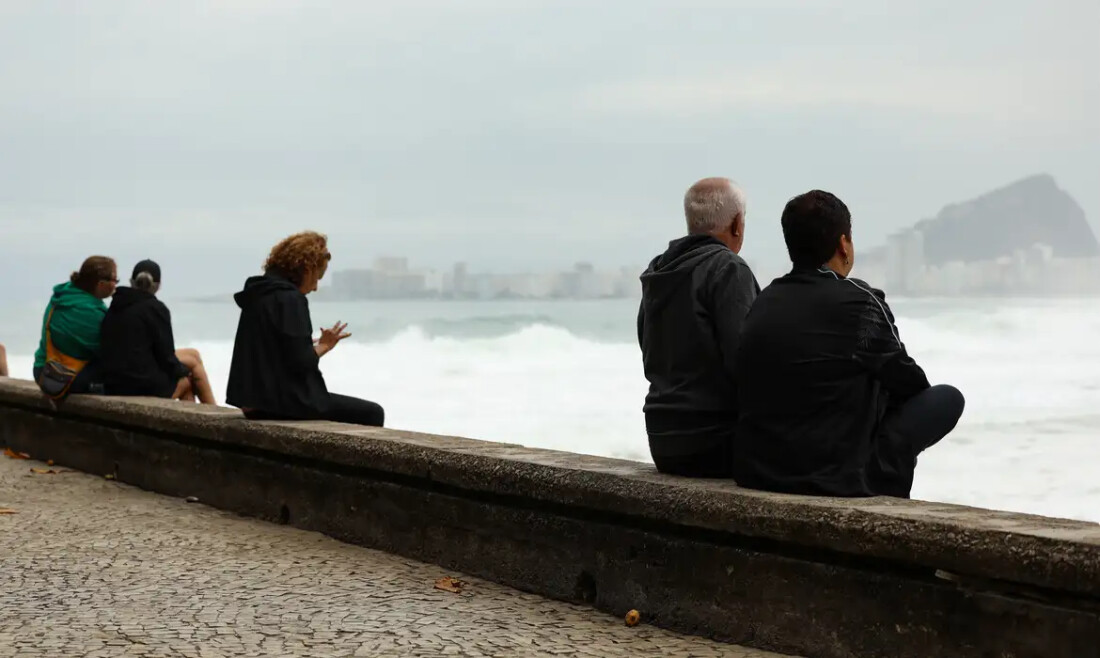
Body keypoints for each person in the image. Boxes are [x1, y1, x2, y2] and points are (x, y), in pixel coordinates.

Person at [734, 190, 965, 498]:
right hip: (838, 477)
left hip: (760, 472)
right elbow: (910, 383)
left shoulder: (762, 302)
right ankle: (884, 483)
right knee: (947, 398)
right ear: (844, 244)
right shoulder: (860, 302)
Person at [638, 177, 760, 477]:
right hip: (715, 442)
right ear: (737, 224)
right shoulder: (728, 269)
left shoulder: (659, 271)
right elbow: (746, 362)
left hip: (662, 440)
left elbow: (647, 347)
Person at [226, 231, 385, 427]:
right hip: (280, 403)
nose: (316, 287)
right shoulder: (291, 299)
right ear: (307, 269)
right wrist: (324, 345)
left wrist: (301, 343)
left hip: (252, 401)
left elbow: (268, 350)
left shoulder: (258, 292)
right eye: (318, 277)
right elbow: (300, 362)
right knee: (373, 413)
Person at [99, 259, 216, 404]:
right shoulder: (155, 309)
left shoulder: (116, 306)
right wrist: (184, 372)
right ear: (158, 286)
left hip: (115, 382)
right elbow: (166, 356)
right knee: (190, 374)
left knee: (193, 354)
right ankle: (216, 414)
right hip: (139, 385)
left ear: (131, 281)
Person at [32, 256, 118, 394]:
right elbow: (107, 351)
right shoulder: (90, 312)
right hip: (61, 377)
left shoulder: (63, 295)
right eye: (115, 280)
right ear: (101, 284)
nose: (115, 285)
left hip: (41, 368)